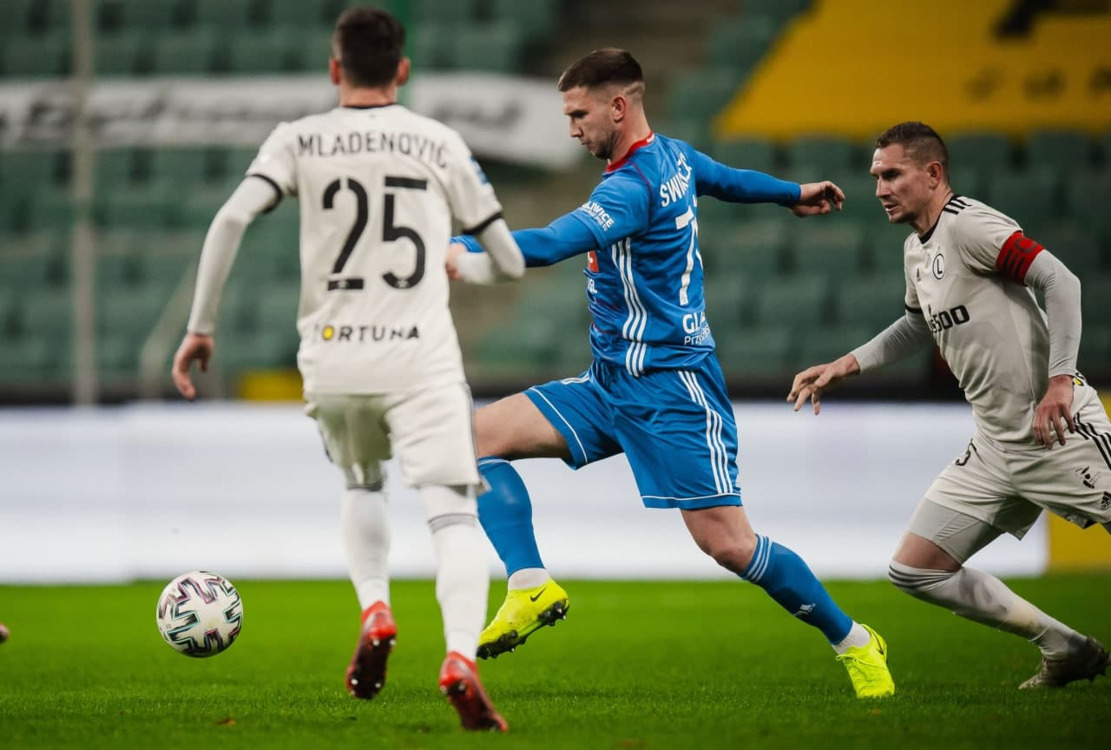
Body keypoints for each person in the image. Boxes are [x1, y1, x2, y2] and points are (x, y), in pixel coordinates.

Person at [448, 48, 894, 698]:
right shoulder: (675, 157)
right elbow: (726, 178)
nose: (571, 129)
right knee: (471, 441)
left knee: (729, 545)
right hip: (608, 383)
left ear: (617, 107)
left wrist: (458, 248)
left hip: (672, 390)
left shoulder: (628, 189)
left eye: (578, 115)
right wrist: (791, 193)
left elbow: (549, 243)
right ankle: (529, 585)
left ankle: (854, 640)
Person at [170, 7, 524, 731]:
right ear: (403, 70)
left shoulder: (298, 138)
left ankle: (375, 606)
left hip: (332, 355)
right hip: (419, 356)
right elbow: (511, 262)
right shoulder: (438, 141)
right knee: (453, 511)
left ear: (335, 69)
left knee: (360, 481)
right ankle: (460, 658)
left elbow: (230, 219)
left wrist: (200, 326)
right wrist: (461, 264)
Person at [788, 121, 1110, 689]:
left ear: (933, 173)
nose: (880, 188)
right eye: (876, 177)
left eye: (893, 175)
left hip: (1056, 427)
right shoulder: (916, 249)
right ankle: (1066, 648)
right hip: (994, 446)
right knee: (915, 569)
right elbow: (917, 324)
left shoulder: (970, 226)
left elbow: (1060, 282)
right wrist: (846, 365)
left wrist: (1060, 381)